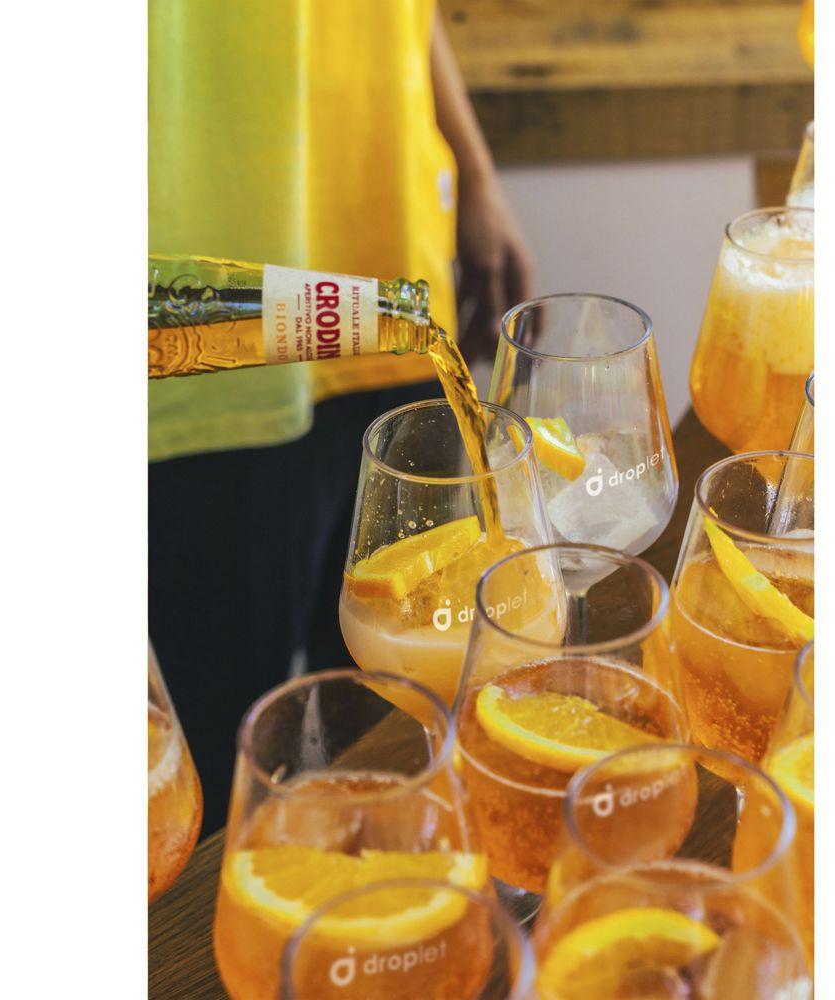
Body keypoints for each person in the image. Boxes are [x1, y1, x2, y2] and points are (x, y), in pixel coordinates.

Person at [148, 0, 533, 835]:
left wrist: (473, 169)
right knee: (221, 778)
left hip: (391, 280)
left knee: (399, 736)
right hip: (202, 327)